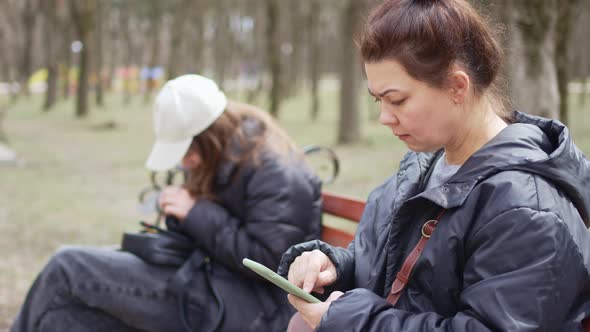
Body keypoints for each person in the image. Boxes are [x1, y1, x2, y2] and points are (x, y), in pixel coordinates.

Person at [278, 0, 590, 331]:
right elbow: (385, 264)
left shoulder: (527, 208)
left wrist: (352, 320)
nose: (384, 117)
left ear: (457, 86)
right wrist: (331, 267)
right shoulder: (423, 167)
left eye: (397, 100)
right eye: (377, 100)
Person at [11, 74, 322, 332]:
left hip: (254, 308)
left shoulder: (275, 170)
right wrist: (184, 213)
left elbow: (272, 262)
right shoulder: (229, 154)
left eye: (186, 153)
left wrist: (195, 211)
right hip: (208, 281)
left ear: (210, 135)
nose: (184, 164)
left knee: (67, 266)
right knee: (61, 320)